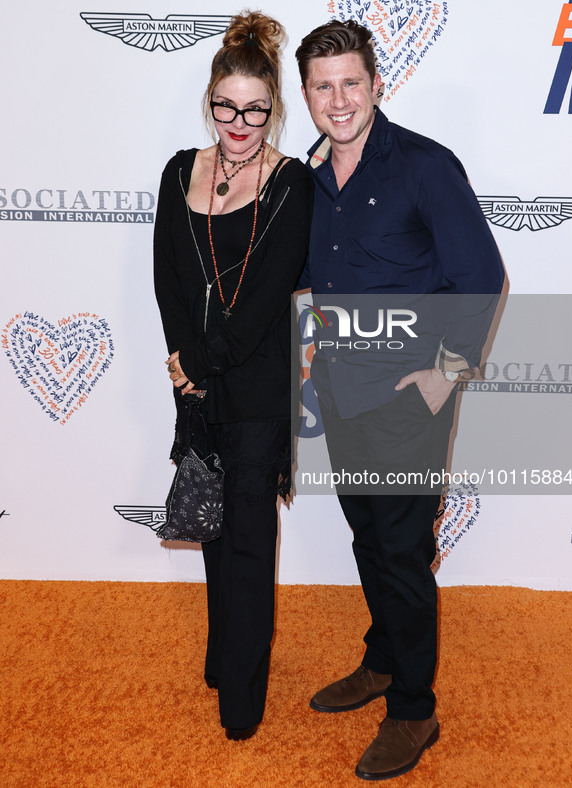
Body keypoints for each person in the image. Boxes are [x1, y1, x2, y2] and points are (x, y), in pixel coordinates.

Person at [295, 20, 504, 780]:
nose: (338, 99)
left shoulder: (424, 166)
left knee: (404, 553)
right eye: (323, 86)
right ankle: (382, 659)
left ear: (377, 85)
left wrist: (442, 375)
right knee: (366, 536)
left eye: (351, 82)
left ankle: (414, 710)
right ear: (308, 95)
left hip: (409, 399)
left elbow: (480, 277)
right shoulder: (308, 176)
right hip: (340, 392)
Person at [153, 11, 313, 741]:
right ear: (209, 101)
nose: (239, 123)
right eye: (226, 107)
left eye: (254, 109)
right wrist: (183, 361)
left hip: (253, 392)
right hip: (198, 390)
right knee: (215, 529)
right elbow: (167, 278)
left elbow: (262, 305)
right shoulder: (179, 170)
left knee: (248, 541)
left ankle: (241, 703)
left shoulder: (292, 185)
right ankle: (226, 657)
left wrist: (200, 363)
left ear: (273, 106)